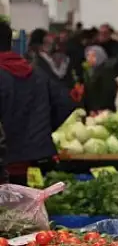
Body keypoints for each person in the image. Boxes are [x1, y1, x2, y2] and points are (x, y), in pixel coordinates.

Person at [0, 22, 73, 185]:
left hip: (5, 160)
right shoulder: (36, 73)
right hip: (33, 158)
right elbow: (65, 103)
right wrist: (41, 129)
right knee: (24, 205)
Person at [82, 45, 117, 112]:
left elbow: (107, 92)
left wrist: (98, 109)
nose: (89, 58)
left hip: (103, 110)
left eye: (93, 56)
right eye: (88, 55)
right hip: (92, 109)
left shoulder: (106, 71)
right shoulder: (89, 71)